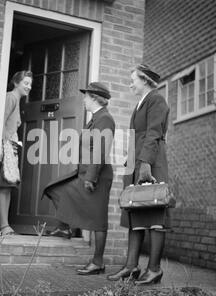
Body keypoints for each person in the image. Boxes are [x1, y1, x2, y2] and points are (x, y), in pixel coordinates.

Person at [43, 82, 115, 275]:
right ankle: (64, 227)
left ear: (94, 98)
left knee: (99, 219)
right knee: (57, 189)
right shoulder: (94, 119)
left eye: (86, 97)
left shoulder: (105, 119)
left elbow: (100, 150)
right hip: (85, 172)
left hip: (97, 175)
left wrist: (91, 177)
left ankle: (98, 262)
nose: (83, 100)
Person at [107, 64, 170, 284]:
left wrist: (145, 165)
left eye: (133, 79)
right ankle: (131, 267)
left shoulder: (157, 100)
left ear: (144, 80)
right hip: (136, 162)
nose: (130, 83)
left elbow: (153, 133)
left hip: (150, 164)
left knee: (154, 216)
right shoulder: (140, 104)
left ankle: (154, 269)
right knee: (135, 215)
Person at [0, 70, 33, 236]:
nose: (29, 86)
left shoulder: (17, 101)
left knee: (9, 186)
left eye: (30, 83)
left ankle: (5, 225)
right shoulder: (10, 97)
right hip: (6, 145)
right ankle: (4, 226)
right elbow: (1, 122)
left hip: (12, 145)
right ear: (16, 83)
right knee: (4, 186)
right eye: (25, 83)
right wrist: (2, 149)